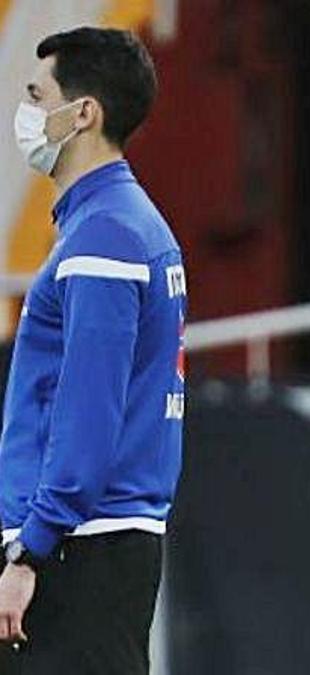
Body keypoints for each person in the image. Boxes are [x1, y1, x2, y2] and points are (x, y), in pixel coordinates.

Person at [0, 27, 186, 673]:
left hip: (79, 550)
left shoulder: (103, 238)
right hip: (97, 542)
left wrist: (30, 550)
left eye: (36, 95)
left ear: (83, 113)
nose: (25, 113)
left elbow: (88, 414)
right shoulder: (122, 224)